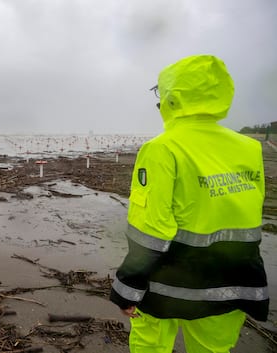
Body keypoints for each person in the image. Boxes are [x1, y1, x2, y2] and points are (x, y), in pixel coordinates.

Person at [110, 55, 269, 352]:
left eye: (160, 92)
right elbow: (246, 214)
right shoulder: (250, 148)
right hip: (233, 283)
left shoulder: (162, 149)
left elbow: (151, 228)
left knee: (150, 346)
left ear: (172, 98)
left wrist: (127, 289)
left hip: (167, 285)